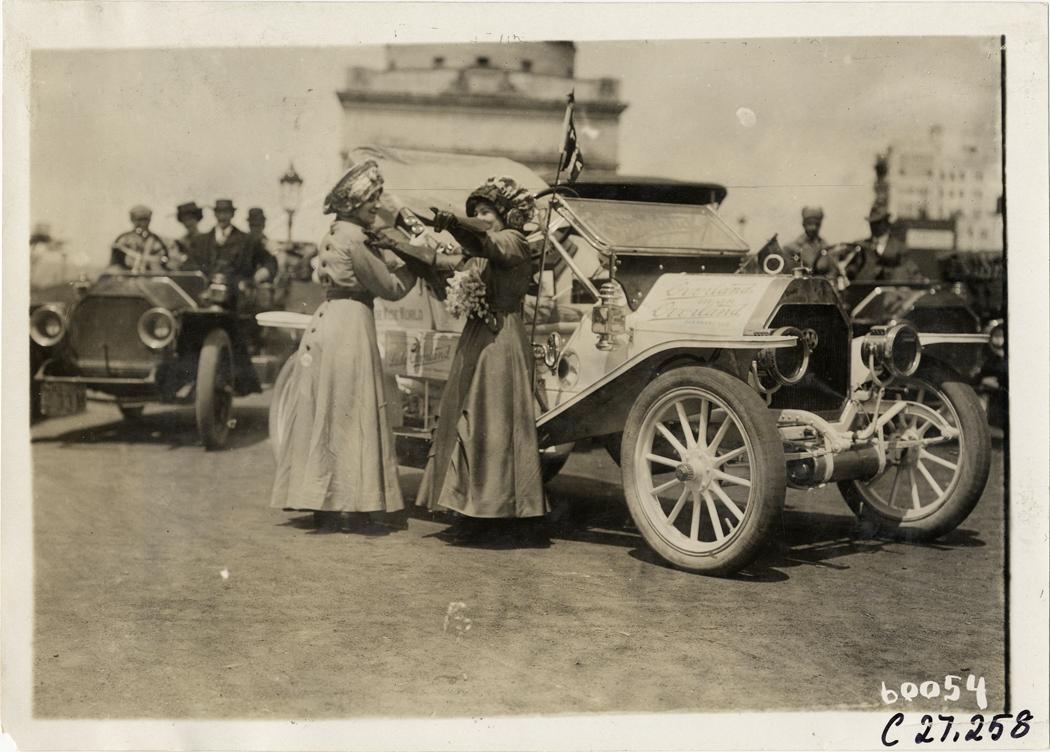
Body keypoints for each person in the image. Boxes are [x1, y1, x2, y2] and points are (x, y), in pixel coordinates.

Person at [393, 176, 549, 547]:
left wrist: (456, 224)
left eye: (486, 211)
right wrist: (396, 244)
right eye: (475, 212)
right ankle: (469, 509)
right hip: (478, 336)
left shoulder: (514, 240)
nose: (481, 217)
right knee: (465, 420)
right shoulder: (481, 251)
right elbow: (441, 261)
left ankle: (492, 514)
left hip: (501, 339)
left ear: (507, 215)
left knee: (489, 425)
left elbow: (488, 243)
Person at [270, 161, 418, 534]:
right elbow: (390, 288)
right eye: (371, 199)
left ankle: (322, 500)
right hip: (351, 325)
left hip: (329, 320)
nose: (377, 205)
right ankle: (358, 502)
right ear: (353, 203)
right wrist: (416, 262)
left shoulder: (336, 232)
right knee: (354, 410)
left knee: (326, 411)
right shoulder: (357, 238)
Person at [189, 199, 277, 286]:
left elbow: (269, 261)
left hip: (238, 291)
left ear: (232, 214)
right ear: (214, 214)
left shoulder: (247, 240)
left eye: (226, 213)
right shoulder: (201, 241)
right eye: (219, 212)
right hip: (206, 289)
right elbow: (190, 265)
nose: (222, 217)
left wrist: (266, 270)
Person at [829, 205, 923, 284]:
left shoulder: (899, 248)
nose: (874, 226)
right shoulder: (861, 246)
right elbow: (847, 268)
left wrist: (884, 271)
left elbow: (911, 272)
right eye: (872, 223)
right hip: (864, 293)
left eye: (878, 222)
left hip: (889, 293)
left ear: (886, 223)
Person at [108, 205, 169, 271]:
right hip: (127, 274)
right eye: (139, 220)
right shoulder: (122, 239)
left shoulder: (159, 241)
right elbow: (114, 264)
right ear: (132, 220)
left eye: (145, 219)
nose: (143, 223)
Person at [783, 206, 833, 272]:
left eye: (817, 224)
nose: (813, 227)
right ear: (803, 224)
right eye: (810, 223)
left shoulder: (826, 247)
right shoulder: (791, 248)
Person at [171, 201, 205, 269]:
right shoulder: (180, 242)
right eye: (185, 220)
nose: (188, 223)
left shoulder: (207, 239)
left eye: (191, 219)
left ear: (197, 218)